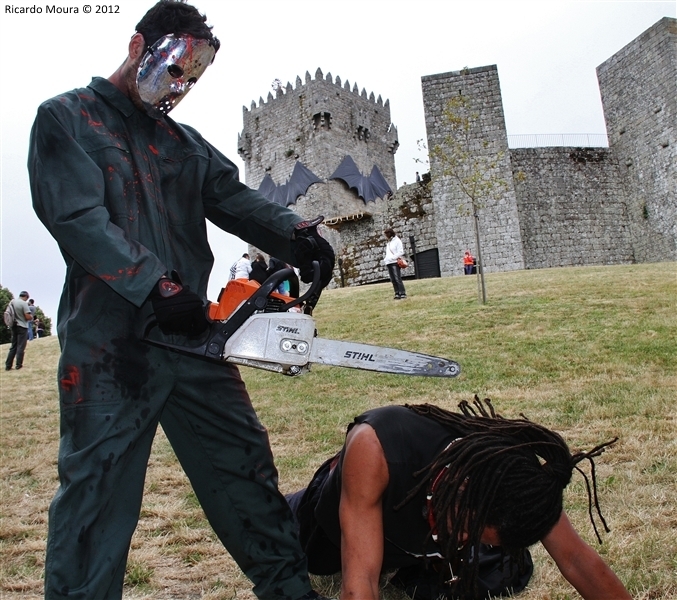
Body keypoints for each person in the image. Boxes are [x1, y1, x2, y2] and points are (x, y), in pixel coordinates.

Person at [28, 2, 334, 599]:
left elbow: (234, 198)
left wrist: (297, 234)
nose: (179, 87)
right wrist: (155, 284)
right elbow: (77, 219)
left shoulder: (184, 144)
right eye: (174, 70)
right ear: (137, 46)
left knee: (243, 465)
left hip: (193, 338)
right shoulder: (67, 119)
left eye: (192, 79)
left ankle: (289, 590)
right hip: (110, 346)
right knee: (96, 490)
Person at [286, 399, 631, 600]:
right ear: (462, 486)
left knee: (499, 573)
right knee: (298, 544)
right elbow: (360, 581)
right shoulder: (377, 447)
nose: (467, 541)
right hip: (329, 527)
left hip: (418, 545)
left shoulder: (516, 479)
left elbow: (576, 559)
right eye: (470, 528)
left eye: (478, 537)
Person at [5, 291, 33, 370]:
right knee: (21, 346)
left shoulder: (12, 302)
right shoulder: (23, 303)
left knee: (13, 346)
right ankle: (18, 365)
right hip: (22, 326)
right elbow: (27, 316)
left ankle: (8, 365)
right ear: (26, 297)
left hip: (13, 325)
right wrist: (31, 317)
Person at [383, 228, 407, 300]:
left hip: (394, 262)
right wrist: (386, 259)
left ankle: (402, 293)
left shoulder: (397, 241)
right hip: (388, 262)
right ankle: (397, 293)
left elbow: (400, 252)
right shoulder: (389, 242)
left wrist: (393, 258)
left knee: (397, 278)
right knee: (393, 279)